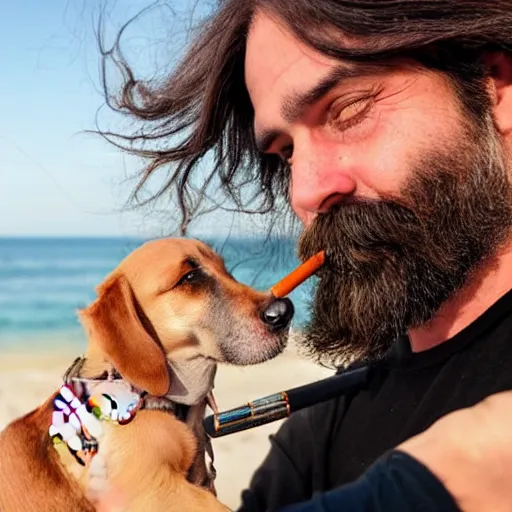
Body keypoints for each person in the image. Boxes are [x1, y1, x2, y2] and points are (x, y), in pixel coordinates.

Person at [99, 1, 512, 510]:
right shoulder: (323, 423)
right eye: (287, 153)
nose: (305, 192)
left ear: (495, 86)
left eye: (348, 110)